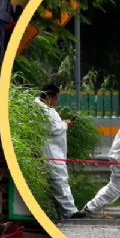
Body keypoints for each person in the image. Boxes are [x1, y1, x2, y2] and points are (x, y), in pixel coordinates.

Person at [36, 84, 84, 219]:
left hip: (54, 150)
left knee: (59, 182)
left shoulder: (47, 108)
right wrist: (65, 124)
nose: (57, 101)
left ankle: (64, 213)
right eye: (56, 98)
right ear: (49, 97)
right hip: (51, 151)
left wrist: (62, 123)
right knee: (60, 181)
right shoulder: (42, 109)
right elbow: (52, 129)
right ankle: (70, 212)